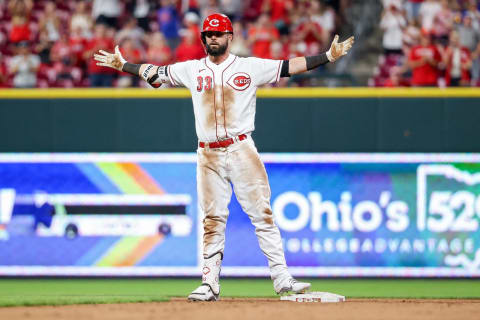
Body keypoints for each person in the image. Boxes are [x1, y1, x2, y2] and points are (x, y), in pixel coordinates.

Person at [94, 13, 354, 301]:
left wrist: (328, 56)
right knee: (212, 219)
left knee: (262, 214)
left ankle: (282, 278)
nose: (213, 38)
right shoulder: (192, 69)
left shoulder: (249, 67)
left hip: (241, 148)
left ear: (230, 37)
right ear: (203, 38)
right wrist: (124, 65)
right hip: (208, 153)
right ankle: (209, 283)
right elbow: (156, 73)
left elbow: (289, 66)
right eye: (209, 34)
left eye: (219, 33)